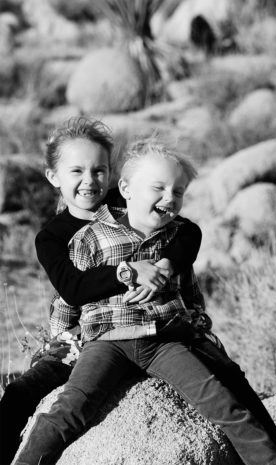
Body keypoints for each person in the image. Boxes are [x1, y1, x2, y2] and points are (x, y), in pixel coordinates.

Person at [14, 137, 276, 465]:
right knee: (69, 411)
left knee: (220, 400)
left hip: (162, 340)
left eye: (177, 192)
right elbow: (68, 298)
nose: (169, 198)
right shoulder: (89, 238)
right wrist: (59, 341)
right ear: (127, 190)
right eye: (159, 188)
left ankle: (272, 460)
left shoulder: (176, 238)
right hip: (106, 342)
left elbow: (190, 292)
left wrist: (197, 321)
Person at [0, 117, 201, 464]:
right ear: (53, 177)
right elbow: (73, 288)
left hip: (151, 326)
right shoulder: (52, 237)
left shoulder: (127, 202)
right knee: (20, 394)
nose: (89, 181)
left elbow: (189, 231)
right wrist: (128, 270)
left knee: (227, 381)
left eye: (99, 170)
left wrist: (166, 265)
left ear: (113, 175)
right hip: (81, 337)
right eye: (76, 171)